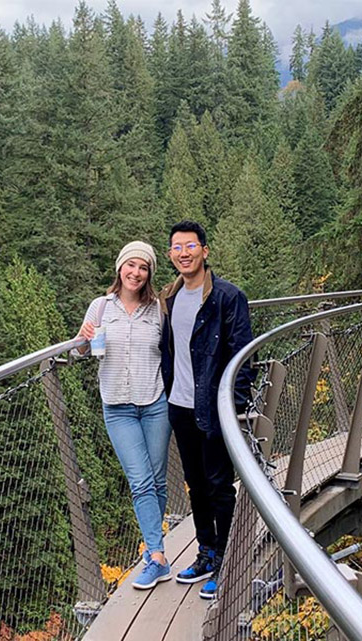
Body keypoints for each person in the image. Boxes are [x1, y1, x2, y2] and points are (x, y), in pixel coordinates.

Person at [159, 220, 254, 600]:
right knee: (196, 486)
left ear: (205, 250)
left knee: (218, 485)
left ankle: (226, 561)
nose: (184, 253)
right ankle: (206, 552)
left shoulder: (227, 297)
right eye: (177, 248)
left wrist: (234, 406)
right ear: (171, 255)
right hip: (179, 405)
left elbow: (243, 354)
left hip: (213, 406)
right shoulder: (169, 297)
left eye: (190, 246)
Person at [77, 241, 173, 590]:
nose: (135, 273)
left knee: (158, 481)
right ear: (119, 268)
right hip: (117, 406)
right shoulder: (100, 307)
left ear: (149, 274)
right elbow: (81, 350)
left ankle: (153, 550)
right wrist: (82, 339)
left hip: (155, 402)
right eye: (130, 265)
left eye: (143, 267)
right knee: (141, 480)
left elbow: (172, 351)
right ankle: (158, 554)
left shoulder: (158, 309)